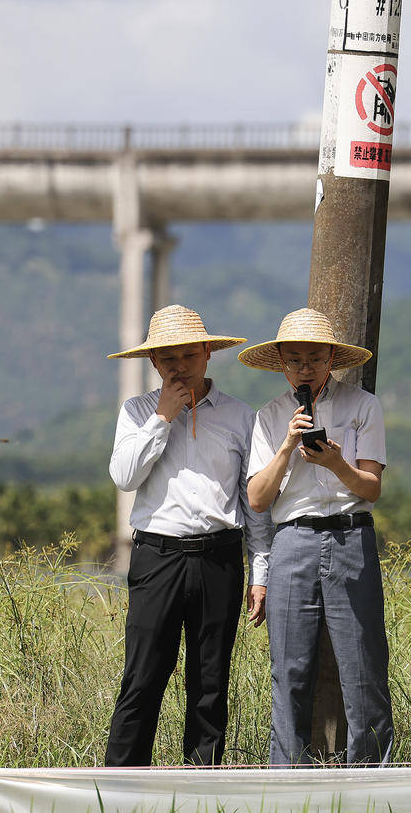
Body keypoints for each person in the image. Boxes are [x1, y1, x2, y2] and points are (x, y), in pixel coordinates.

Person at [104, 305, 270, 766]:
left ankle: (202, 789)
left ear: (207, 355)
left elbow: (252, 502)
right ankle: (119, 787)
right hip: (157, 555)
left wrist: (260, 571)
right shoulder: (136, 411)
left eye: (188, 355)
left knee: (211, 681)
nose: (179, 366)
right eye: (167, 358)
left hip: (219, 557)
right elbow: (124, 476)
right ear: (153, 364)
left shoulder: (240, 416)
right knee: (143, 676)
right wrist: (162, 417)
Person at [241, 308, 393, 766]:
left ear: (332, 358)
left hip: (350, 535)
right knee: (289, 668)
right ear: (281, 364)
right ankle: (287, 781)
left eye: (315, 358)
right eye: (295, 360)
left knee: (362, 664)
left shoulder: (362, 406)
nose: (305, 368)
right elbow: (258, 499)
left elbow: (371, 488)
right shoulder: (270, 417)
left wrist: (335, 464)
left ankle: (371, 778)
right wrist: (288, 446)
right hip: (292, 540)